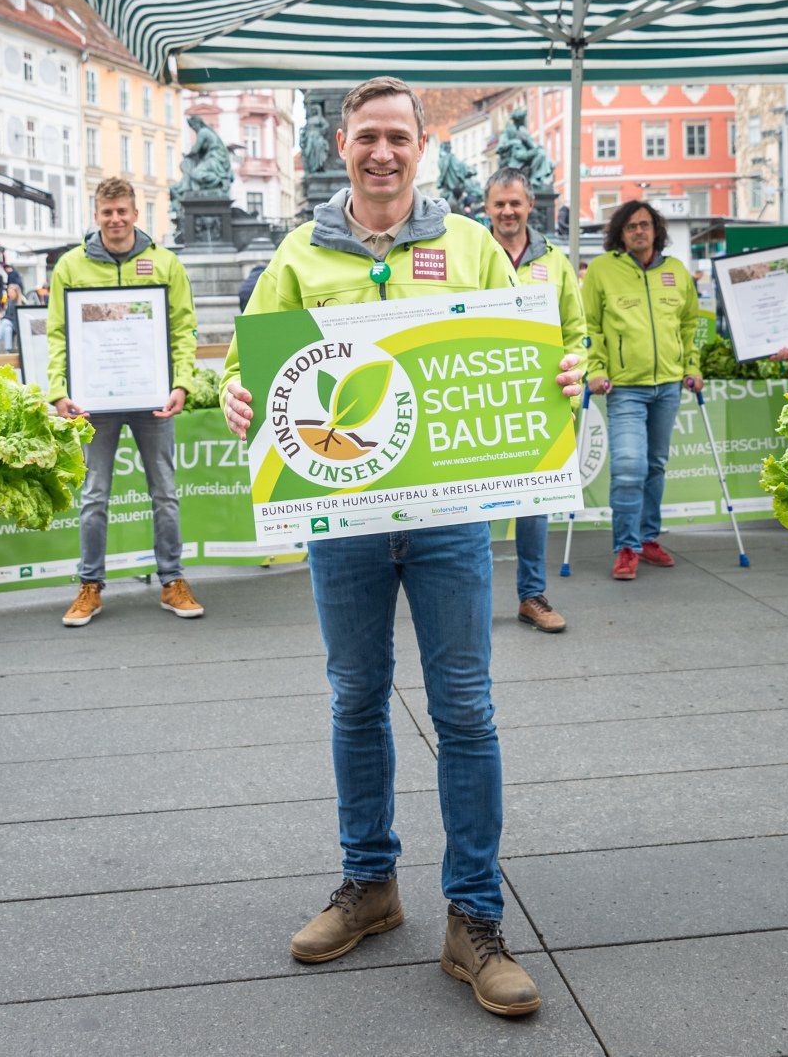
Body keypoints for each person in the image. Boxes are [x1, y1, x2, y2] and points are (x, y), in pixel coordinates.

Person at [222, 75, 579, 1018]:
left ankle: (474, 918)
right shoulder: (297, 256)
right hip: (342, 524)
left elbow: (528, 355)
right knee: (356, 698)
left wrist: (564, 375)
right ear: (343, 144)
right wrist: (235, 393)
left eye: (398, 138)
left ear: (422, 147)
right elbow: (242, 364)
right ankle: (370, 886)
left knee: (465, 708)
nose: (382, 152)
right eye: (366, 136)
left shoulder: (467, 245)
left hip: (449, 522)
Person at [49, 176, 204, 626]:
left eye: (122, 212)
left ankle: (172, 580)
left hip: (153, 396)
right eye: (106, 212)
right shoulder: (70, 267)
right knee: (94, 494)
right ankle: (90, 586)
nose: (115, 220)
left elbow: (183, 329)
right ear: (96, 216)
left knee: (166, 492)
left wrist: (182, 384)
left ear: (136, 214)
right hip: (93, 401)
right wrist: (58, 390)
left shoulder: (165, 263)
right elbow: (57, 333)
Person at [483, 166, 585, 633]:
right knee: (472, 503)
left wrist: (572, 368)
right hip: (479, 399)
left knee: (534, 502)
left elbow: (576, 332)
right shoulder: (469, 254)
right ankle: (471, 598)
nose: (507, 211)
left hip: (539, 402)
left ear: (530, 207)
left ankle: (531, 596)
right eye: (499, 203)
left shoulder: (555, 262)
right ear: (486, 208)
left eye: (515, 203)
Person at [581, 199, 700, 581]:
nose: (638, 231)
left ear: (656, 229)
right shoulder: (601, 271)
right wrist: (595, 370)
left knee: (654, 466)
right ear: (620, 231)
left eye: (645, 225)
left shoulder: (677, 272)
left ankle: (648, 538)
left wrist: (691, 367)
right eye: (630, 226)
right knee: (629, 468)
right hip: (625, 387)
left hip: (668, 384)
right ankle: (627, 547)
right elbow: (591, 327)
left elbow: (689, 326)